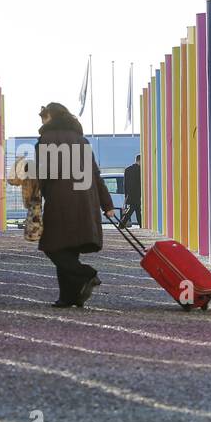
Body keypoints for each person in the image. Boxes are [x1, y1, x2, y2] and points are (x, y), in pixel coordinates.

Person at [34, 103, 115, 308]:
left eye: (43, 116)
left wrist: (36, 199)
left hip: (60, 200)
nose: (42, 120)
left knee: (53, 246)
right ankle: (69, 297)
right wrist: (107, 204)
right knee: (68, 247)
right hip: (86, 201)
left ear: (50, 116)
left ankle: (87, 274)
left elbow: (43, 174)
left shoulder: (45, 141)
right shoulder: (82, 141)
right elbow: (95, 174)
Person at [121, 154, 142, 228]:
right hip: (138, 195)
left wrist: (126, 196)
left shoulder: (127, 170)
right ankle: (121, 225)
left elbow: (125, 184)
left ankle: (141, 226)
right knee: (133, 211)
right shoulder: (141, 170)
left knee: (137, 211)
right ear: (140, 161)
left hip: (130, 194)